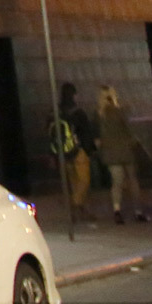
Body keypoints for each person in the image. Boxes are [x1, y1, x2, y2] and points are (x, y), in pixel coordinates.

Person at [96, 84, 148, 224]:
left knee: (116, 182)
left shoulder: (100, 115)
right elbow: (129, 130)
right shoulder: (120, 112)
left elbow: (99, 136)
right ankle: (138, 212)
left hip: (111, 153)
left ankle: (117, 210)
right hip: (126, 150)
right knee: (132, 181)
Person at [55, 82, 98, 221]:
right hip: (79, 151)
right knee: (84, 181)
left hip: (64, 152)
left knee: (74, 183)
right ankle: (76, 204)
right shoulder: (78, 112)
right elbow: (86, 132)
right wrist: (90, 150)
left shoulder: (56, 111)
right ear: (74, 94)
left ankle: (79, 211)